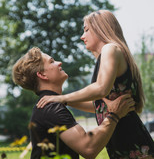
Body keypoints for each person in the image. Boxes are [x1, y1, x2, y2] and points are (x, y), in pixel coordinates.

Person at [37, 10, 154, 159]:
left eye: (86, 30)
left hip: (133, 146)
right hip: (126, 143)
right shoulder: (113, 52)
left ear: (100, 28)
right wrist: (66, 101)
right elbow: (99, 106)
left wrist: (60, 98)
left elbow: (100, 89)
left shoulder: (110, 48)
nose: (82, 36)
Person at [12, 47, 135, 159]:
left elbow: (96, 107)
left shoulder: (50, 104)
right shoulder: (51, 108)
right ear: (42, 75)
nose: (59, 63)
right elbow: (88, 147)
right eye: (52, 61)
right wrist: (114, 116)